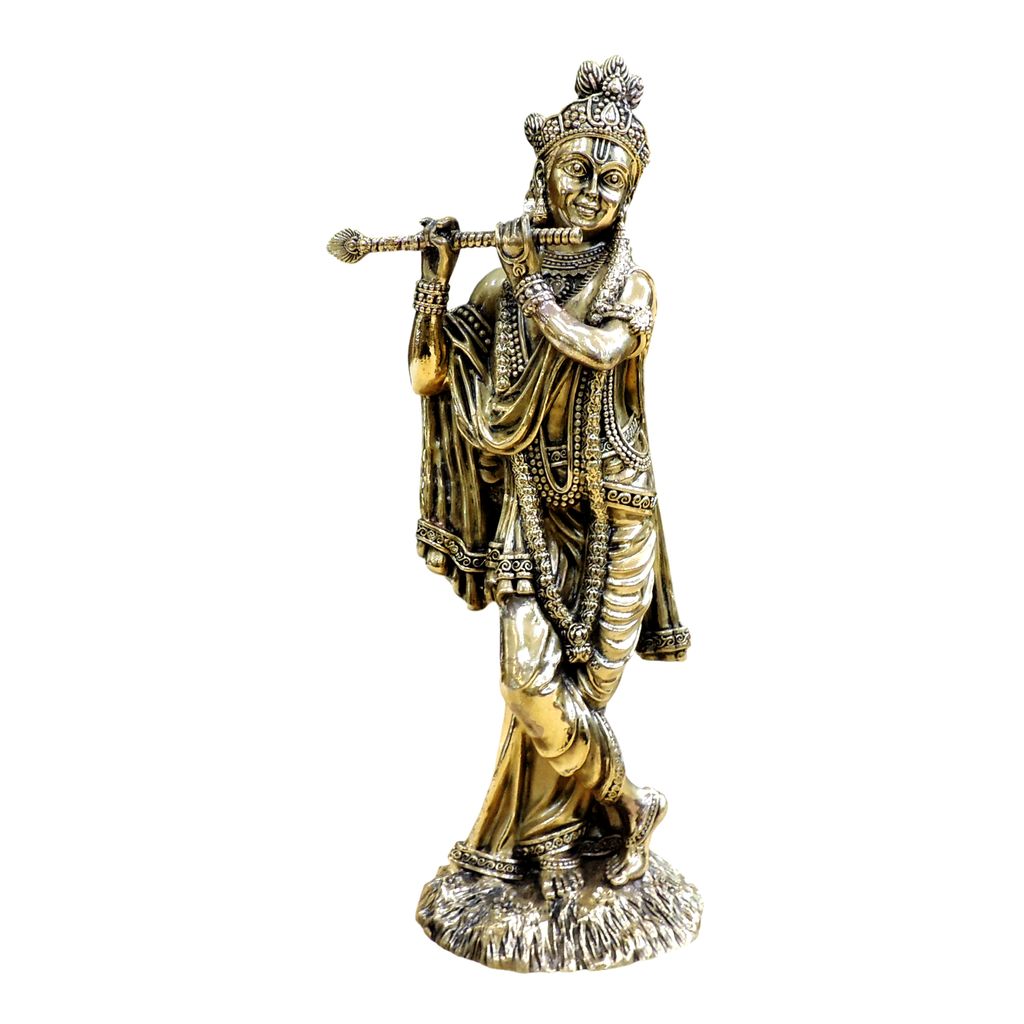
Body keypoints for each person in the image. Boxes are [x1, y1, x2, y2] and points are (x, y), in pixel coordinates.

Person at [408, 56, 690, 901]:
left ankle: (554, 845)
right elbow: (430, 376)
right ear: (545, 173)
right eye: (578, 171)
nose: (592, 192)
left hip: (617, 521)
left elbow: (599, 347)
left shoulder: (630, 286)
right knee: (532, 692)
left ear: (628, 197)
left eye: (612, 180)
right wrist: (433, 284)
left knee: (578, 701)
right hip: (531, 511)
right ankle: (630, 804)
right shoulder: (502, 286)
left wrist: (532, 285)